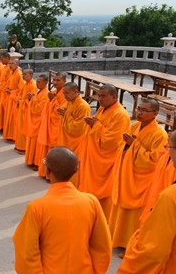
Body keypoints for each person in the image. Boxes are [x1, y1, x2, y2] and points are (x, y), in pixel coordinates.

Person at [82, 130, 176, 274]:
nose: (166, 152)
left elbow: (154, 252)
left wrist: (135, 245)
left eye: (169, 148)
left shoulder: (170, 198)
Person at [12, 146, 111, 274]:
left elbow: (26, 255)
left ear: (47, 171)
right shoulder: (91, 202)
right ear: (77, 170)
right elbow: (103, 248)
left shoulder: (37, 208)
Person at [109, 98, 167, 253]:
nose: (139, 112)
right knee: (122, 209)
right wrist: (128, 144)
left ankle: (132, 244)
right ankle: (118, 238)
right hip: (127, 174)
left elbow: (154, 161)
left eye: (144, 110)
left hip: (142, 179)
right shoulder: (135, 125)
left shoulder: (159, 134)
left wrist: (134, 145)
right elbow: (121, 145)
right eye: (138, 109)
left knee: (136, 214)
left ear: (155, 113)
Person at [78, 84, 131, 219]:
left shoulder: (121, 115)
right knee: (88, 183)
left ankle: (102, 218)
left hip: (106, 160)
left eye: (103, 96)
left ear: (114, 96)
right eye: (99, 96)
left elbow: (110, 141)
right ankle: (89, 210)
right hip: (94, 156)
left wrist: (95, 125)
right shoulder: (103, 109)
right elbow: (98, 126)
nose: (100, 99)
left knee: (104, 190)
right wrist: (94, 124)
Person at [56, 81, 91, 185]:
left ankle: (73, 187)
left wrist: (66, 114)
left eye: (67, 93)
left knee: (73, 164)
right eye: (63, 93)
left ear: (75, 91)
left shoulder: (83, 106)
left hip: (76, 141)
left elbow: (78, 128)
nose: (64, 95)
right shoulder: (69, 102)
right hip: (66, 138)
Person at [35, 72, 67, 178]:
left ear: (64, 81)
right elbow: (46, 109)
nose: (55, 82)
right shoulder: (53, 92)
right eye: (54, 80)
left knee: (54, 151)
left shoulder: (64, 94)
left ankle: (53, 175)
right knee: (47, 149)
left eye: (58, 80)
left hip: (55, 127)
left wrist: (53, 100)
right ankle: (45, 172)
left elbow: (60, 112)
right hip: (49, 125)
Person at [23, 75, 49, 169]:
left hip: (38, 121)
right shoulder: (40, 92)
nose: (36, 84)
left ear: (45, 83)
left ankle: (37, 163)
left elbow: (39, 109)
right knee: (32, 141)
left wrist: (32, 99)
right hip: (34, 120)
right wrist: (32, 98)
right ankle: (31, 160)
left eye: (39, 82)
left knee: (37, 143)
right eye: (37, 81)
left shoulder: (46, 94)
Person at [14, 68, 37, 153]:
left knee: (24, 128)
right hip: (22, 108)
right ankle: (19, 145)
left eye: (25, 74)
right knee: (20, 128)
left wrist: (22, 102)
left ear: (31, 75)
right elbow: (21, 94)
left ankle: (24, 148)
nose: (23, 76)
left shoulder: (33, 85)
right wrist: (19, 99)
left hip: (26, 110)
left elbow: (32, 100)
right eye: (23, 74)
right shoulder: (26, 84)